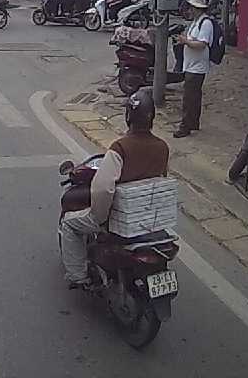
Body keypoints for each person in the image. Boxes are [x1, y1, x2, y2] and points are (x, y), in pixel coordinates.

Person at [60, 89, 170, 288]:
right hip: (148, 217)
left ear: (128, 117)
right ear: (152, 117)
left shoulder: (120, 148)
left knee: (69, 224)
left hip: (121, 218)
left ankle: (78, 276)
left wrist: (98, 217)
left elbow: (103, 189)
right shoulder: (163, 147)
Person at [173, 0, 215, 138]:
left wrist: (186, 42)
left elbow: (201, 44)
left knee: (189, 98)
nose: (189, 10)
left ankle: (185, 126)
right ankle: (193, 122)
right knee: (194, 96)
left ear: (197, 9)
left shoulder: (206, 24)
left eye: (192, 8)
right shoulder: (196, 22)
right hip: (191, 64)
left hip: (197, 67)